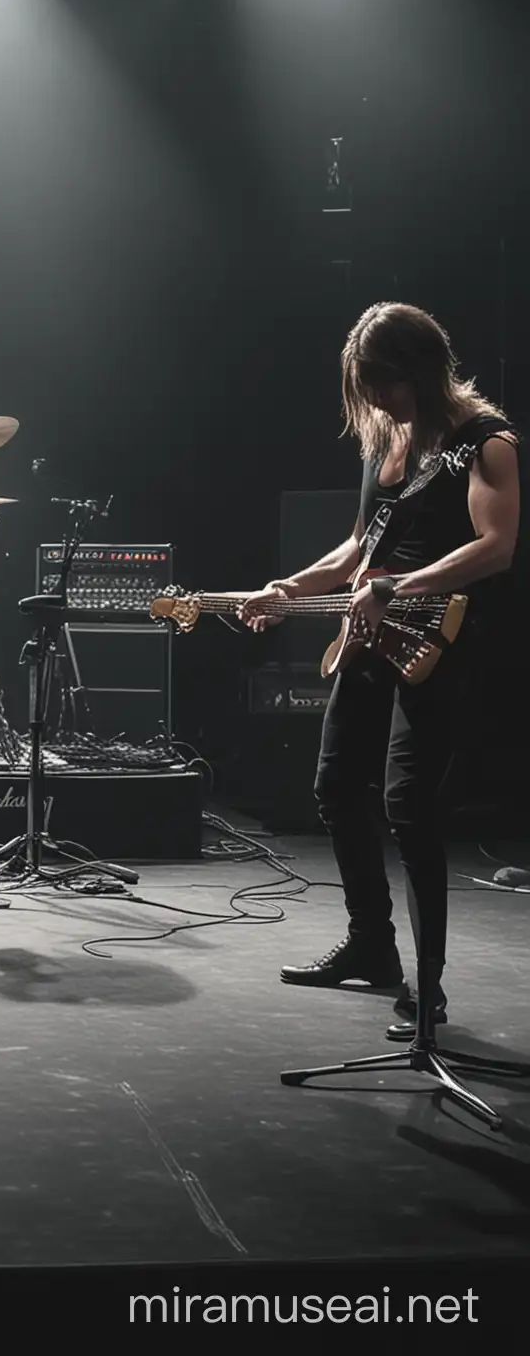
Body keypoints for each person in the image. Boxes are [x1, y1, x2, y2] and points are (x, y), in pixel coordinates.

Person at [238, 303, 519, 1039]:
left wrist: (400, 586)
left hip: (440, 643)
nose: (378, 404)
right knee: (334, 785)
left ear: (421, 371)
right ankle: (373, 947)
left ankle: (428, 994)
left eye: (386, 387)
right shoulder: (388, 444)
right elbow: (359, 548)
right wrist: (289, 589)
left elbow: (495, 547)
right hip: (370, 639)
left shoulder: (484, 443)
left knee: (409, 809)